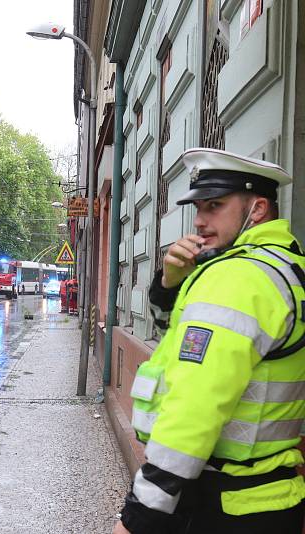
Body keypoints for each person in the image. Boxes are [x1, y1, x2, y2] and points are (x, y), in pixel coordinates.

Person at [113, 148, 305, 534]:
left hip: (221, 504)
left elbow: (194, 407)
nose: (199, 221)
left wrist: (141, 516)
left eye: (214, 206)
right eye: (198, 207)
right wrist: (170, 282)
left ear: (259, 209)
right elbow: (177, 340)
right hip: (264, 498)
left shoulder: (238, 278)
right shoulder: (281, 265)